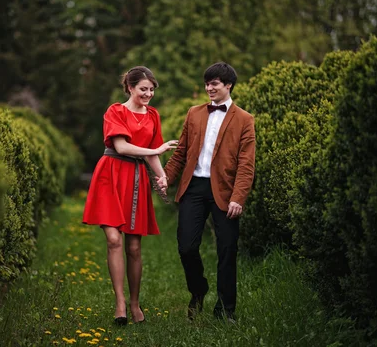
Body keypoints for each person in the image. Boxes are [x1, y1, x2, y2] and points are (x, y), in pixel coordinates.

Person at [158, 62, 255, 322]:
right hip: (194, 188)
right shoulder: (194, 113)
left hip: (225, 190)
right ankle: (198, 290)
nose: (209, 88)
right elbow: (180, 153)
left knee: (227, 249)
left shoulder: (245, 120)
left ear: (228, 85)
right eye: (207, 83)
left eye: (214, 83)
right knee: (186, 247)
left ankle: (226, 310)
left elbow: (247, 164)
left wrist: (238, 197)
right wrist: (166, 177)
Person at [82, 66, 178, 326]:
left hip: (136, 179)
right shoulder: (115, 111)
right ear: (130, 88)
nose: (148, 94)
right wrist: (155, 148)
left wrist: (162, 177)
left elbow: (152, 154)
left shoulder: (153, 115)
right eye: (143, 89)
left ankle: (135, 304)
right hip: (111, 175)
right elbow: (121, 146)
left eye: (151, 90)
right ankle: (120, 303)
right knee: (113, 239)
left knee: (134, 247)